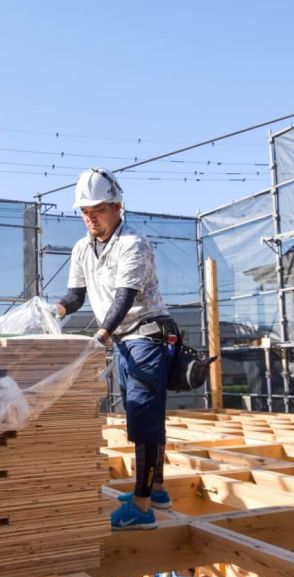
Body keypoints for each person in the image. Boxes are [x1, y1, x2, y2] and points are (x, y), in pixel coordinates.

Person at [55, 168, 178, 530]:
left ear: (117, 207)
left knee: (144, 419)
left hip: (147, 335)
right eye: (84, 211)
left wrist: (101, 335)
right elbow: (76, 296)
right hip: (125, 340)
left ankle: (142, 509)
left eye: (98, 209)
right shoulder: (81, 248)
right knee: (141, 415)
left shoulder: (133, 244)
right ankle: (156, 490)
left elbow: (125, 297)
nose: (90, 217)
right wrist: (54, 311)